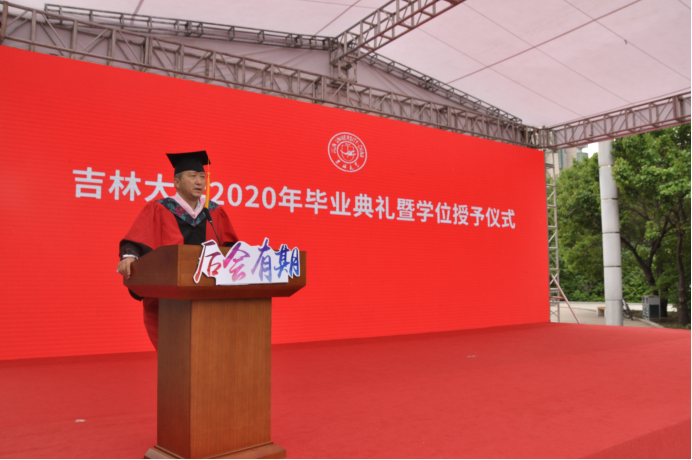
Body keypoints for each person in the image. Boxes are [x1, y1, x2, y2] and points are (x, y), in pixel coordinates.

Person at [117, 151, 239, 349]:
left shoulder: (214, 212)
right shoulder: (159, 208)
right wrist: (130, 257)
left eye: (202, 177)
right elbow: (137, 241)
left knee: (209, 350)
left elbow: (231, 247)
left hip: (209, 298)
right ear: (177, 182)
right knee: (175, 352)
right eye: (193, 176)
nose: (199, 182)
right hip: (168, 300)